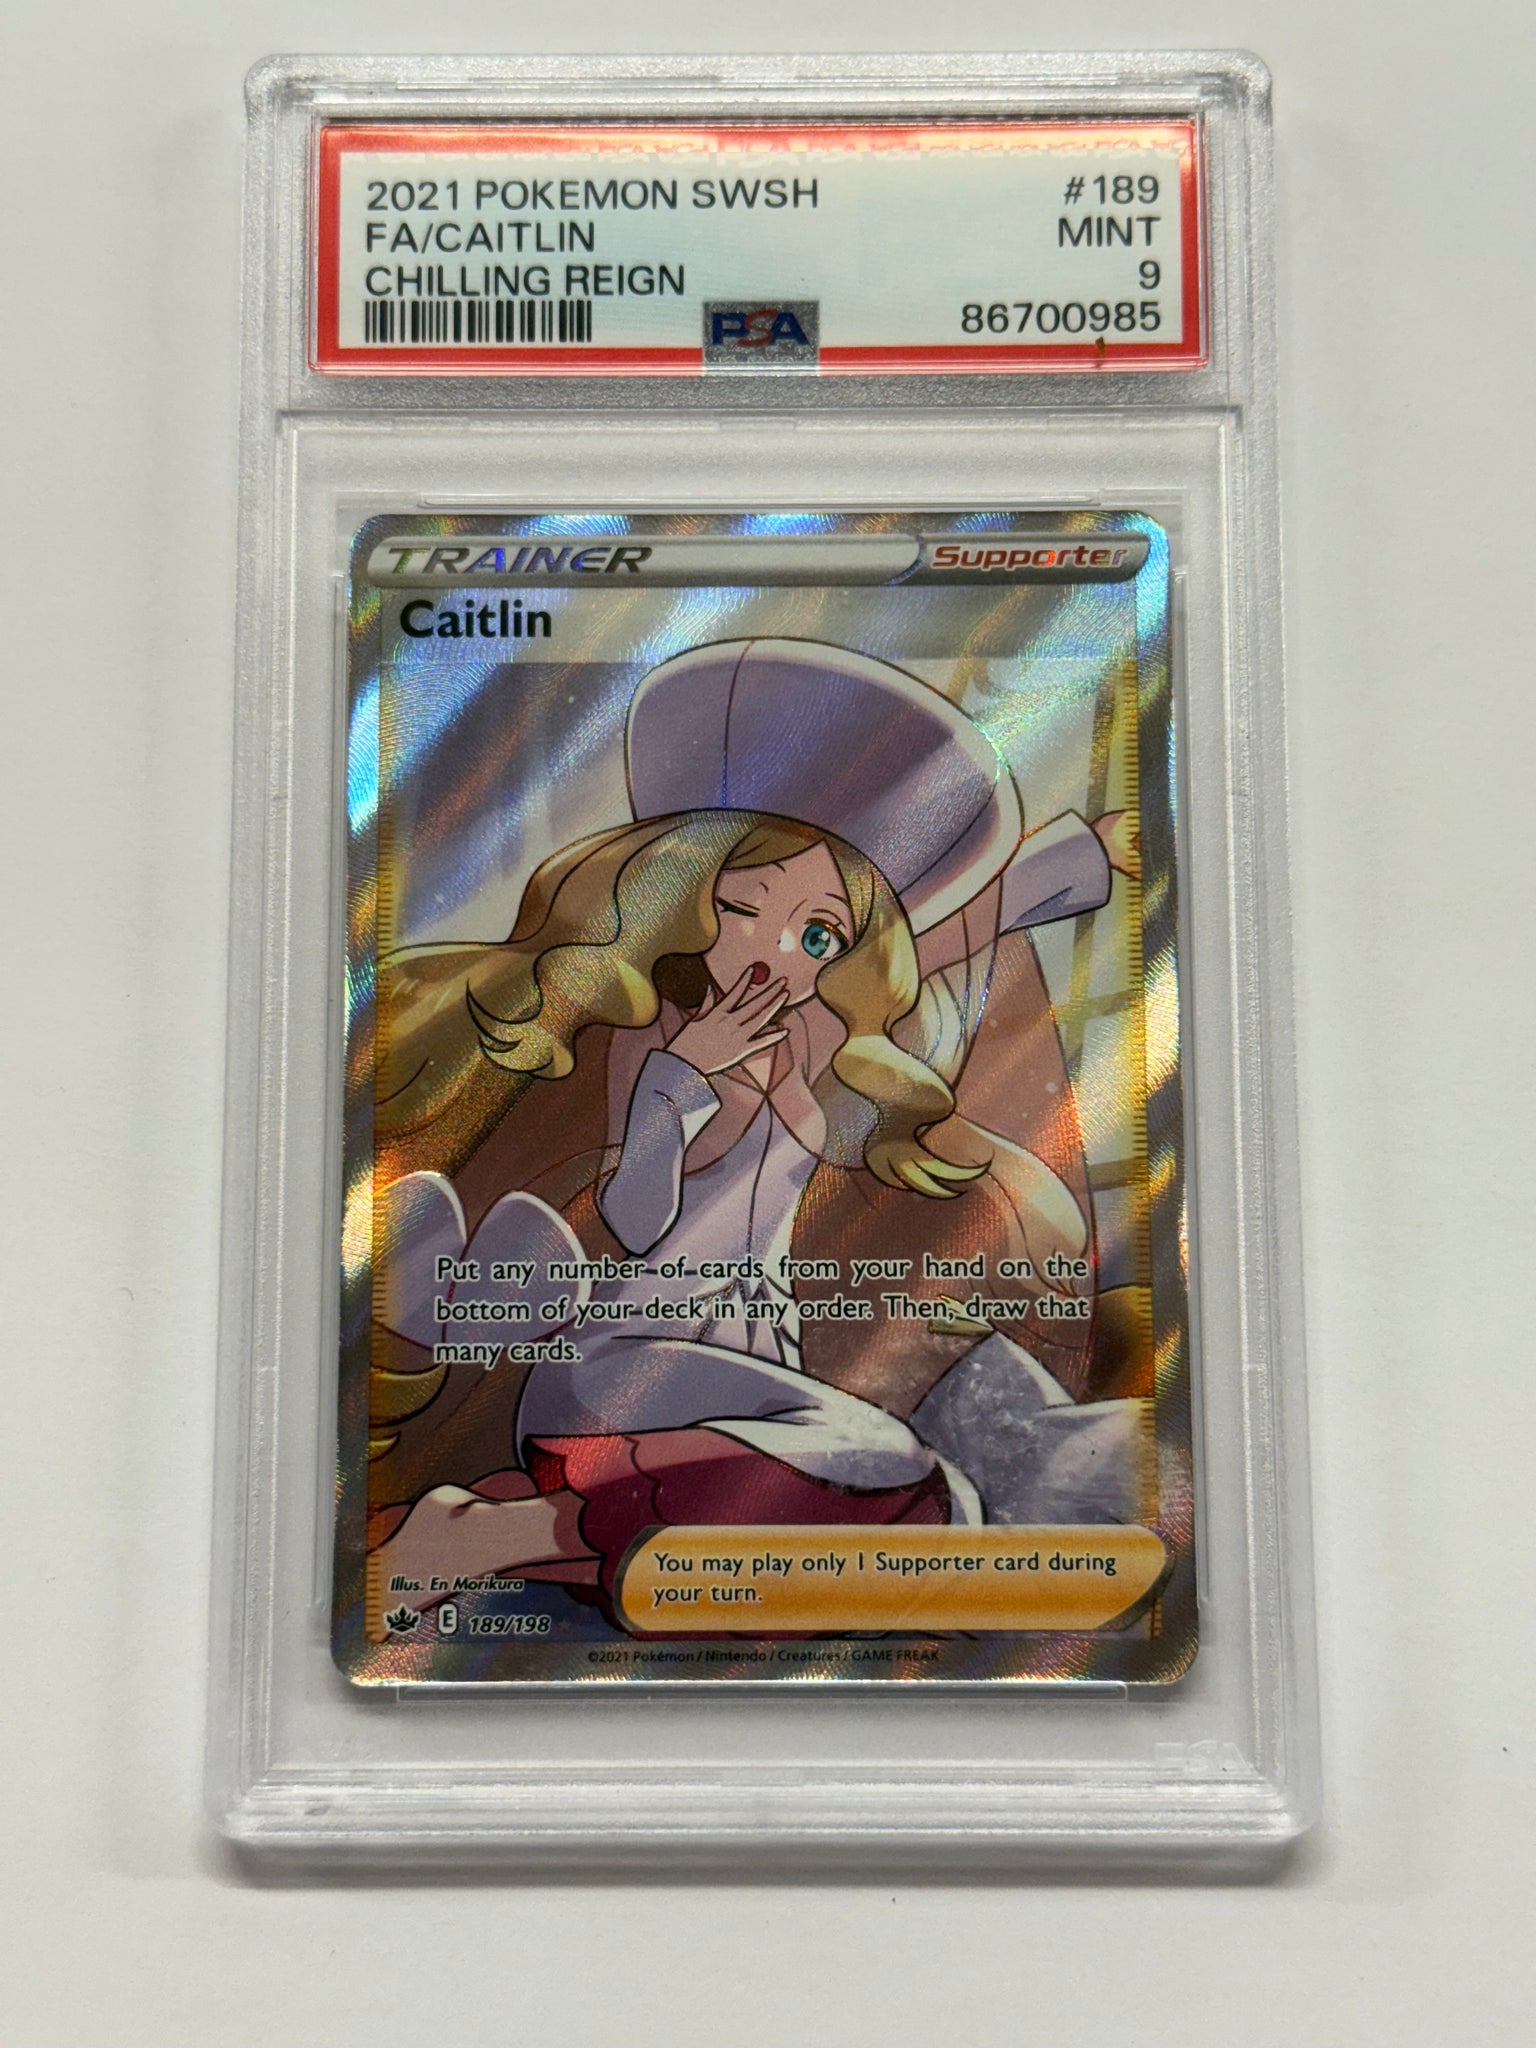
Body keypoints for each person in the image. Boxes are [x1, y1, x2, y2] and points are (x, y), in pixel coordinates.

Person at [367, 639, 1144, 1609]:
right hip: (622, 1376)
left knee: (919, 1464)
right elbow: (633, 1218)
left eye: (818, 934)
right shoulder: (648, 1041)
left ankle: (500, 1533)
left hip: (751, 1383)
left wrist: (1085, 858)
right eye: (746, 908)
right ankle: (510, 1531)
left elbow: (938, 936)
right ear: (684, 898)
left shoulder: (805, 1040)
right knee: (881, 1463)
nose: (781, 955)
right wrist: (682, 1079)